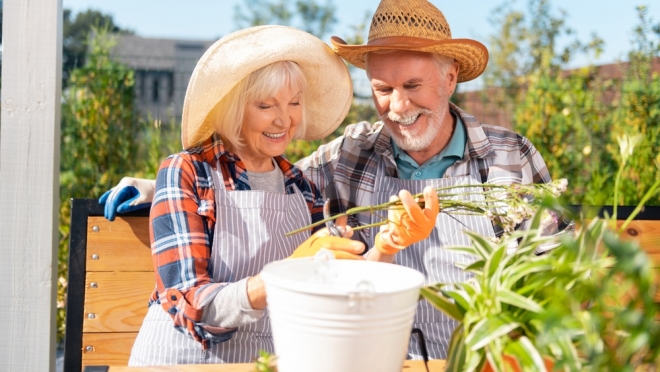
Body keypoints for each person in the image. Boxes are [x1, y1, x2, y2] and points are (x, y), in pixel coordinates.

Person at [102, 0, 551, 361]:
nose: (397, 106)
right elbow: (235, 179)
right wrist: (156, 189)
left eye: (413, 86)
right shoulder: (348, 157)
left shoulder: (509, 158)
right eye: (382, 89)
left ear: (450, 78)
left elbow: (552, 275)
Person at [123, 25, 439, 366]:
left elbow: (338, 296)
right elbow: (188, 303)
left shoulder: (302, 187)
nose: (284, 119)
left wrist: (386, 246)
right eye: (265, 105)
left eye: (294, 102)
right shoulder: (189, 172)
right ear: (234, 108)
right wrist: (287, 273)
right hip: (183, 360)